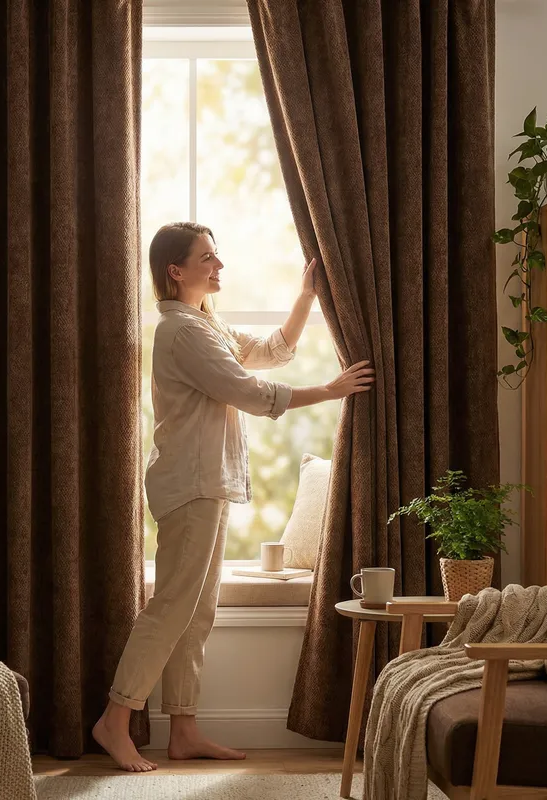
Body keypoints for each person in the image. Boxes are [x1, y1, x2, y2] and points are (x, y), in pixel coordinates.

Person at [93, 222, 375, 772]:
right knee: (172, 607)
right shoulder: (181, 333)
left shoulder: (207, 324)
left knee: (198, 613)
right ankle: (115, 719)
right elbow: (250, 392)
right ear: (176, 271)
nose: (219, 267)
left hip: (209, 482)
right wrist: (332, 391)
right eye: (208, 259)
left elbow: (270, 353)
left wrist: (305, 295)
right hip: (190, 483)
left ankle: (184, 729)